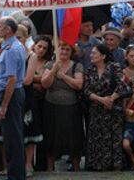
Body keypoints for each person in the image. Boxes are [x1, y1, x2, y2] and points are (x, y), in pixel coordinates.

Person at [40, 41, 84, 172]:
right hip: (51, 106)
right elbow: (45, 84)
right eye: (62, 49)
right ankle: (50, 167)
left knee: (73, 137)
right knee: (51, 136)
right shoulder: (49, 64)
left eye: (67, 50)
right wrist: (54, 70)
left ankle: (76, 167)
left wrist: (63, 76)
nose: (64, 52)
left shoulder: (77, 66)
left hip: (71, 107)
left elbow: (78, 84)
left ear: (71, 52)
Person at [83, 43, 126, 171]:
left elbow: (122, 85)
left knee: (114, 137)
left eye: (94, 53)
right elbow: (86, 90)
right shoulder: (90, 70)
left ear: (103, 56)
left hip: (113, 109)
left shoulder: (115, 67)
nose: (91, 55)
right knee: (97, 137)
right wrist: (102, 100)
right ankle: (97, 165)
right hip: (96, 109)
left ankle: (115, 165)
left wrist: (111, 99)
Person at [0, 17, 27, 180]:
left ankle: (15, 175)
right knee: (13, 135)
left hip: (11, 93)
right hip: (13, 92)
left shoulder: (12, 49)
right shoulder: (13, 46)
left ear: (8, 29)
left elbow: (11, 79)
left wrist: (4, 106)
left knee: (12, 137)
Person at [23, 35, 52, 175]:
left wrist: (32, 78)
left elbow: (44, 83)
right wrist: (37, 79)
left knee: (37, 134)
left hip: (41, 102)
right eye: (39, 46)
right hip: (27, 100)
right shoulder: (26, 57)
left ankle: (35, 165)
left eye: (45, 48)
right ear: (34, 45)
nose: (41, 50)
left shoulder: (48, 62)